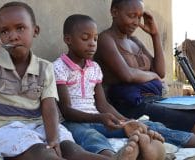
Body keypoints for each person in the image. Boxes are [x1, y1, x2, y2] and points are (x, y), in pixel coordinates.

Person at [0, 2, 140, 160]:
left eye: (20, 28)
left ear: (35, 31)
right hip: (7, 129)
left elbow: (49, 106)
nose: (13, 36)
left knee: (72, 149)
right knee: (43, 153)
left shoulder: (45, 68)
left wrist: (53, 138)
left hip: (40, 126)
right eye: (5, 31)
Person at [95, 0, 195, 139]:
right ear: (114, 12)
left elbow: (160, 72)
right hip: (131, 106)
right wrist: (152, 75)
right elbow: (127, 75)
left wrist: (155, 34)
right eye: (131, 16)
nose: (136, 22)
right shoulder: (105, 39)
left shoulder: (134, 41)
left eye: (139, 17)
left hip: (157, 100)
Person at [54, 14, 166, 160]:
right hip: (73, 123)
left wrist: (126, 121)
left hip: (97, 120)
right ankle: (113, 156)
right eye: (85, 38)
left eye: (95, 39)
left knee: (135, 127)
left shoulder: (94, 68)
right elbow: (66, 111)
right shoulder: (58, 67)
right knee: (92, 137)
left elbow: (103, 104)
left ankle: (146, 146)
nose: (92, 43)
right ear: (68, 40)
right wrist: (99, 118)